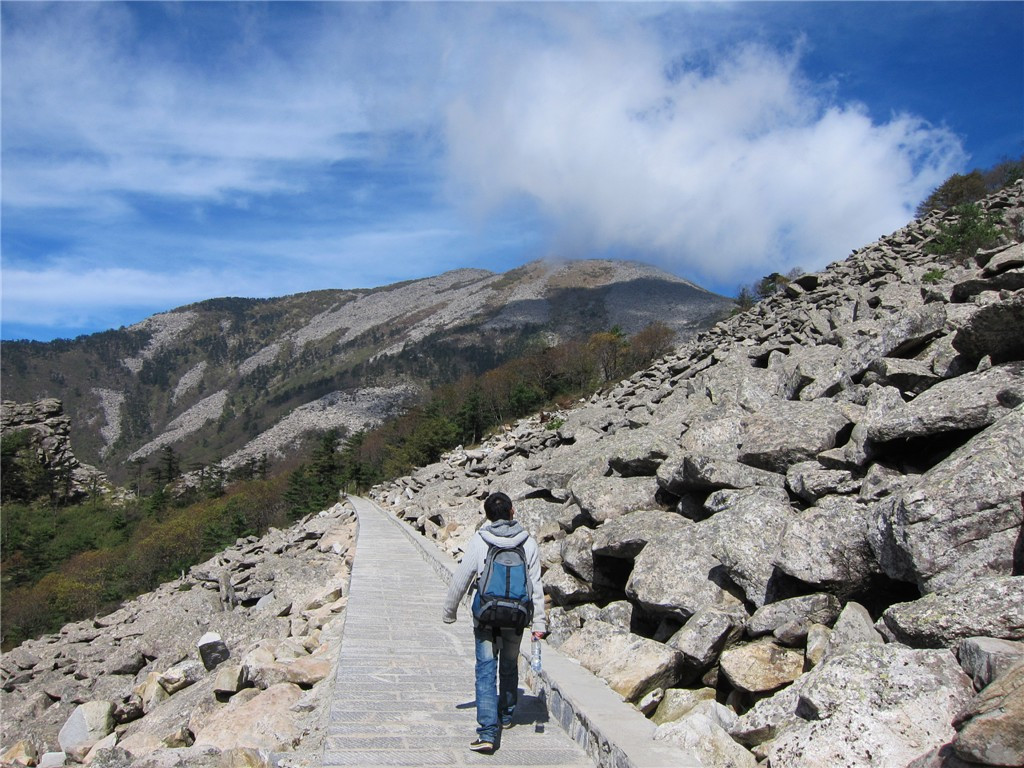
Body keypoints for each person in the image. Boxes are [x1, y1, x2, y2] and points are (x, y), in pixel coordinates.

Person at [442, 491, 546, 753]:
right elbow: (535, 587)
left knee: (485, 670)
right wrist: (539, 625)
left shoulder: (480, 540)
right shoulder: (528, 543)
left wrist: (449, 612)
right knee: (509, 665)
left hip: (486, 618)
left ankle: (488, 733)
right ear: (512, 512)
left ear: (487, 517)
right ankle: (508, 714)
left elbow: (462, 578)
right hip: (516, 617)